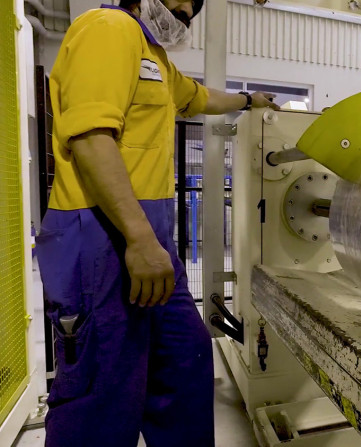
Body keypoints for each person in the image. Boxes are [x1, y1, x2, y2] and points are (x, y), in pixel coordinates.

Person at [37, 0, 279, 445]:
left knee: (183, 359)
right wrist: (139, 238)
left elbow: (202, 97)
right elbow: (91, 138)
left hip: (148, 239)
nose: (185, 9)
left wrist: (250, 100)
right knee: (103, 385)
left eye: (194, 6)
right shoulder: (108, 28)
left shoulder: (159, 63)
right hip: (99, 238)